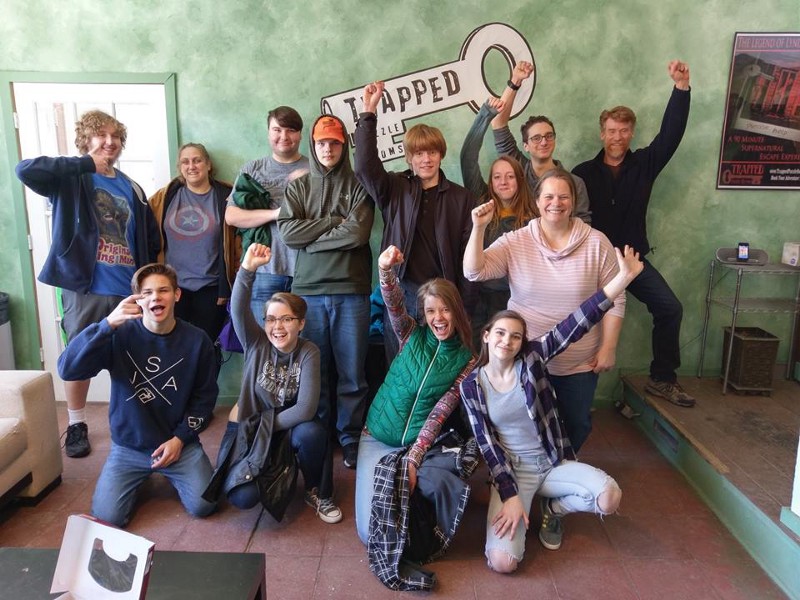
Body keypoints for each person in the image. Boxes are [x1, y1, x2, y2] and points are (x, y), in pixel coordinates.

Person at [460, 245, 643, 573]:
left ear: (522, 342)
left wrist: (622, 280)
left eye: (516, 337)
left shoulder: (531, 360)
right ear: (486, 336)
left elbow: (576, 323)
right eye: (500, 333)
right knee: (503, 563)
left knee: (609, 498)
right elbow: (487, 445)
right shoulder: (472, 385)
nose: (507, 341)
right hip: (514, 471)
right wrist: (510, 494)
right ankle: (522, 502)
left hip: (552, 460)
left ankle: (553, 510)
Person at [15, 110, 160, 458]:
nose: (110, 142)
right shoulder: (70, 178)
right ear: (86, 139)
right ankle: (77, 423)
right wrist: (82, 163)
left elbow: (149, 239)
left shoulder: (131, 187)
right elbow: (25, 170)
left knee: (133, 358)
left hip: (127, 289)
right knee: (79, 355)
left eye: (116, 136)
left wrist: (146, 283)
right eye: (101, 135)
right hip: (85, 288)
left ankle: (137, 420)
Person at [463, 169, 625, 452]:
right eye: (548, 196)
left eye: (563, 197)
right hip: (526, 358)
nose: (556, 203)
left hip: (578, 363)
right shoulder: (516, 241)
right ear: (537, 202)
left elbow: (616, 297)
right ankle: (534, 469)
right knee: (526, 424)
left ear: (573, 202)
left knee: (577, 424)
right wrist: (478, 228)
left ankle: (561, 468)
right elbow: (474, 271)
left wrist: (608, 347)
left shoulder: (597, 242)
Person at [572, 60, 694, 408]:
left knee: (670, 308)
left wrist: (681, 88)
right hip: (594, 263)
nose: (617, 137)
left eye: (624, 131)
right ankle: (572, 390)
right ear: (602, 134)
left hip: (633, 259)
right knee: (578, 322)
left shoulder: (644, 164)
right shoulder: (582, 173)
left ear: (631, 134)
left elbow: (670, 135)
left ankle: (663, 378)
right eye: (612, 130)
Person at [57, 263, 217, 527]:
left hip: (178, 445)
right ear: (137, 299)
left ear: (177, 295)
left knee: (205, 504)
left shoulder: (197, 341)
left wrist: (180, 439)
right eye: (147, 293)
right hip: (129, 447)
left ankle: (164, 470)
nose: (156, 297)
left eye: (163, 290)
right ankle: (137, 477)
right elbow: (68, 369)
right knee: (108, 518)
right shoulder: (118, 334)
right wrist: (106, 325)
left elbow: (205, 399)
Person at [205, 244, 341, 523]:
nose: (277, 326)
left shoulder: (308, 351)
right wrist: (247, 269)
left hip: (284, 426)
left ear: (300, 323)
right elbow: (238, 308)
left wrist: (264, 427)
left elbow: (304, 409)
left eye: (286, 319)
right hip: (252, 427)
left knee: (313, 433)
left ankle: (315, 489)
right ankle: (275, 468)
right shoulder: (256, 343)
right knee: (242, 498)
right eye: (271, 319)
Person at [355, 245, 476, 546]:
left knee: (407, 519)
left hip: (414, 445)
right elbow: (393, 302)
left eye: (445, 309)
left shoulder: (467, 360)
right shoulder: (410, 334)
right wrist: (385, 269)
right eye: (431, 311)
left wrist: (413, 458)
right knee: (368, 533)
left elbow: (439, 414)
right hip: (376, 437)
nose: (438, 318)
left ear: (456, 310)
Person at [354, 81, 477, 363]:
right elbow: (363, 166)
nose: (426, 159)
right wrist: (368, 113)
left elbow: (469, 260)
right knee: (401, 367)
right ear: (409, 157)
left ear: (441, 154)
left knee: (440, 367)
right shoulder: (394, 188)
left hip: (444, 294)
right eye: (419, 153)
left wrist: (465, 307)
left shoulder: (462, 198)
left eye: (432, 152)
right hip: (403, 294)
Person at [277, 114, 374, 469]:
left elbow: (357, 234)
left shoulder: (360, 185)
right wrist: (334, 221)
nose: (328, 149)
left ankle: (349, 437)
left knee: (352, 373)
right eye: (321, 143)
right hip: (308, 294)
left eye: (334, 143)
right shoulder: (299, 188)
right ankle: (317, 434)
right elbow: (289, 234)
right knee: (313, 372)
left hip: (352, 290)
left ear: (343, 146)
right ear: (313, 145)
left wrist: (312, 240)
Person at [225, 106, 309, 325]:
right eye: (277, 130)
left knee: (305, 339)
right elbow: (232, 216)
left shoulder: (315, 169)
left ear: (300, 134)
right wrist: (276, 214)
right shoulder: (253, 169)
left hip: (308, 270)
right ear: (268, 132)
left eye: (291, 130)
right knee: (264, 337)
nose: (284, 136)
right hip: (264, 270)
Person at [148, 143, 236, 349]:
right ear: (180, 167)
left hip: (210, 288)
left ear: (208, 165)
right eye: (185, 162)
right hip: (172, 288)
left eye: (197, 160)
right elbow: (147, 235)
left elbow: (237, 243)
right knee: (172, 346)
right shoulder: (164, 197)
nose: (191, 166)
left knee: (204, 348)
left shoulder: (226, 196)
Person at [460, 97, 536, 326]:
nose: (503, 182)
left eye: (510, 176)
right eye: (497, 177)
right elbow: (467, 158)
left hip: (516, 299)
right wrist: (485, 114)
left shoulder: (533, 217)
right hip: (477, 297)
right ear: (491, 182)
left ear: (520, 180)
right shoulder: (481, 200)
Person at [484, 61, 591, 223]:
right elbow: (498, 122)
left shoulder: (575, 183)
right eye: (536, 138)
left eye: (549, 136)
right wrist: (515, 81)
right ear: (526, 145)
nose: (543, 142)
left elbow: (583, 225)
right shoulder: (517, 169)